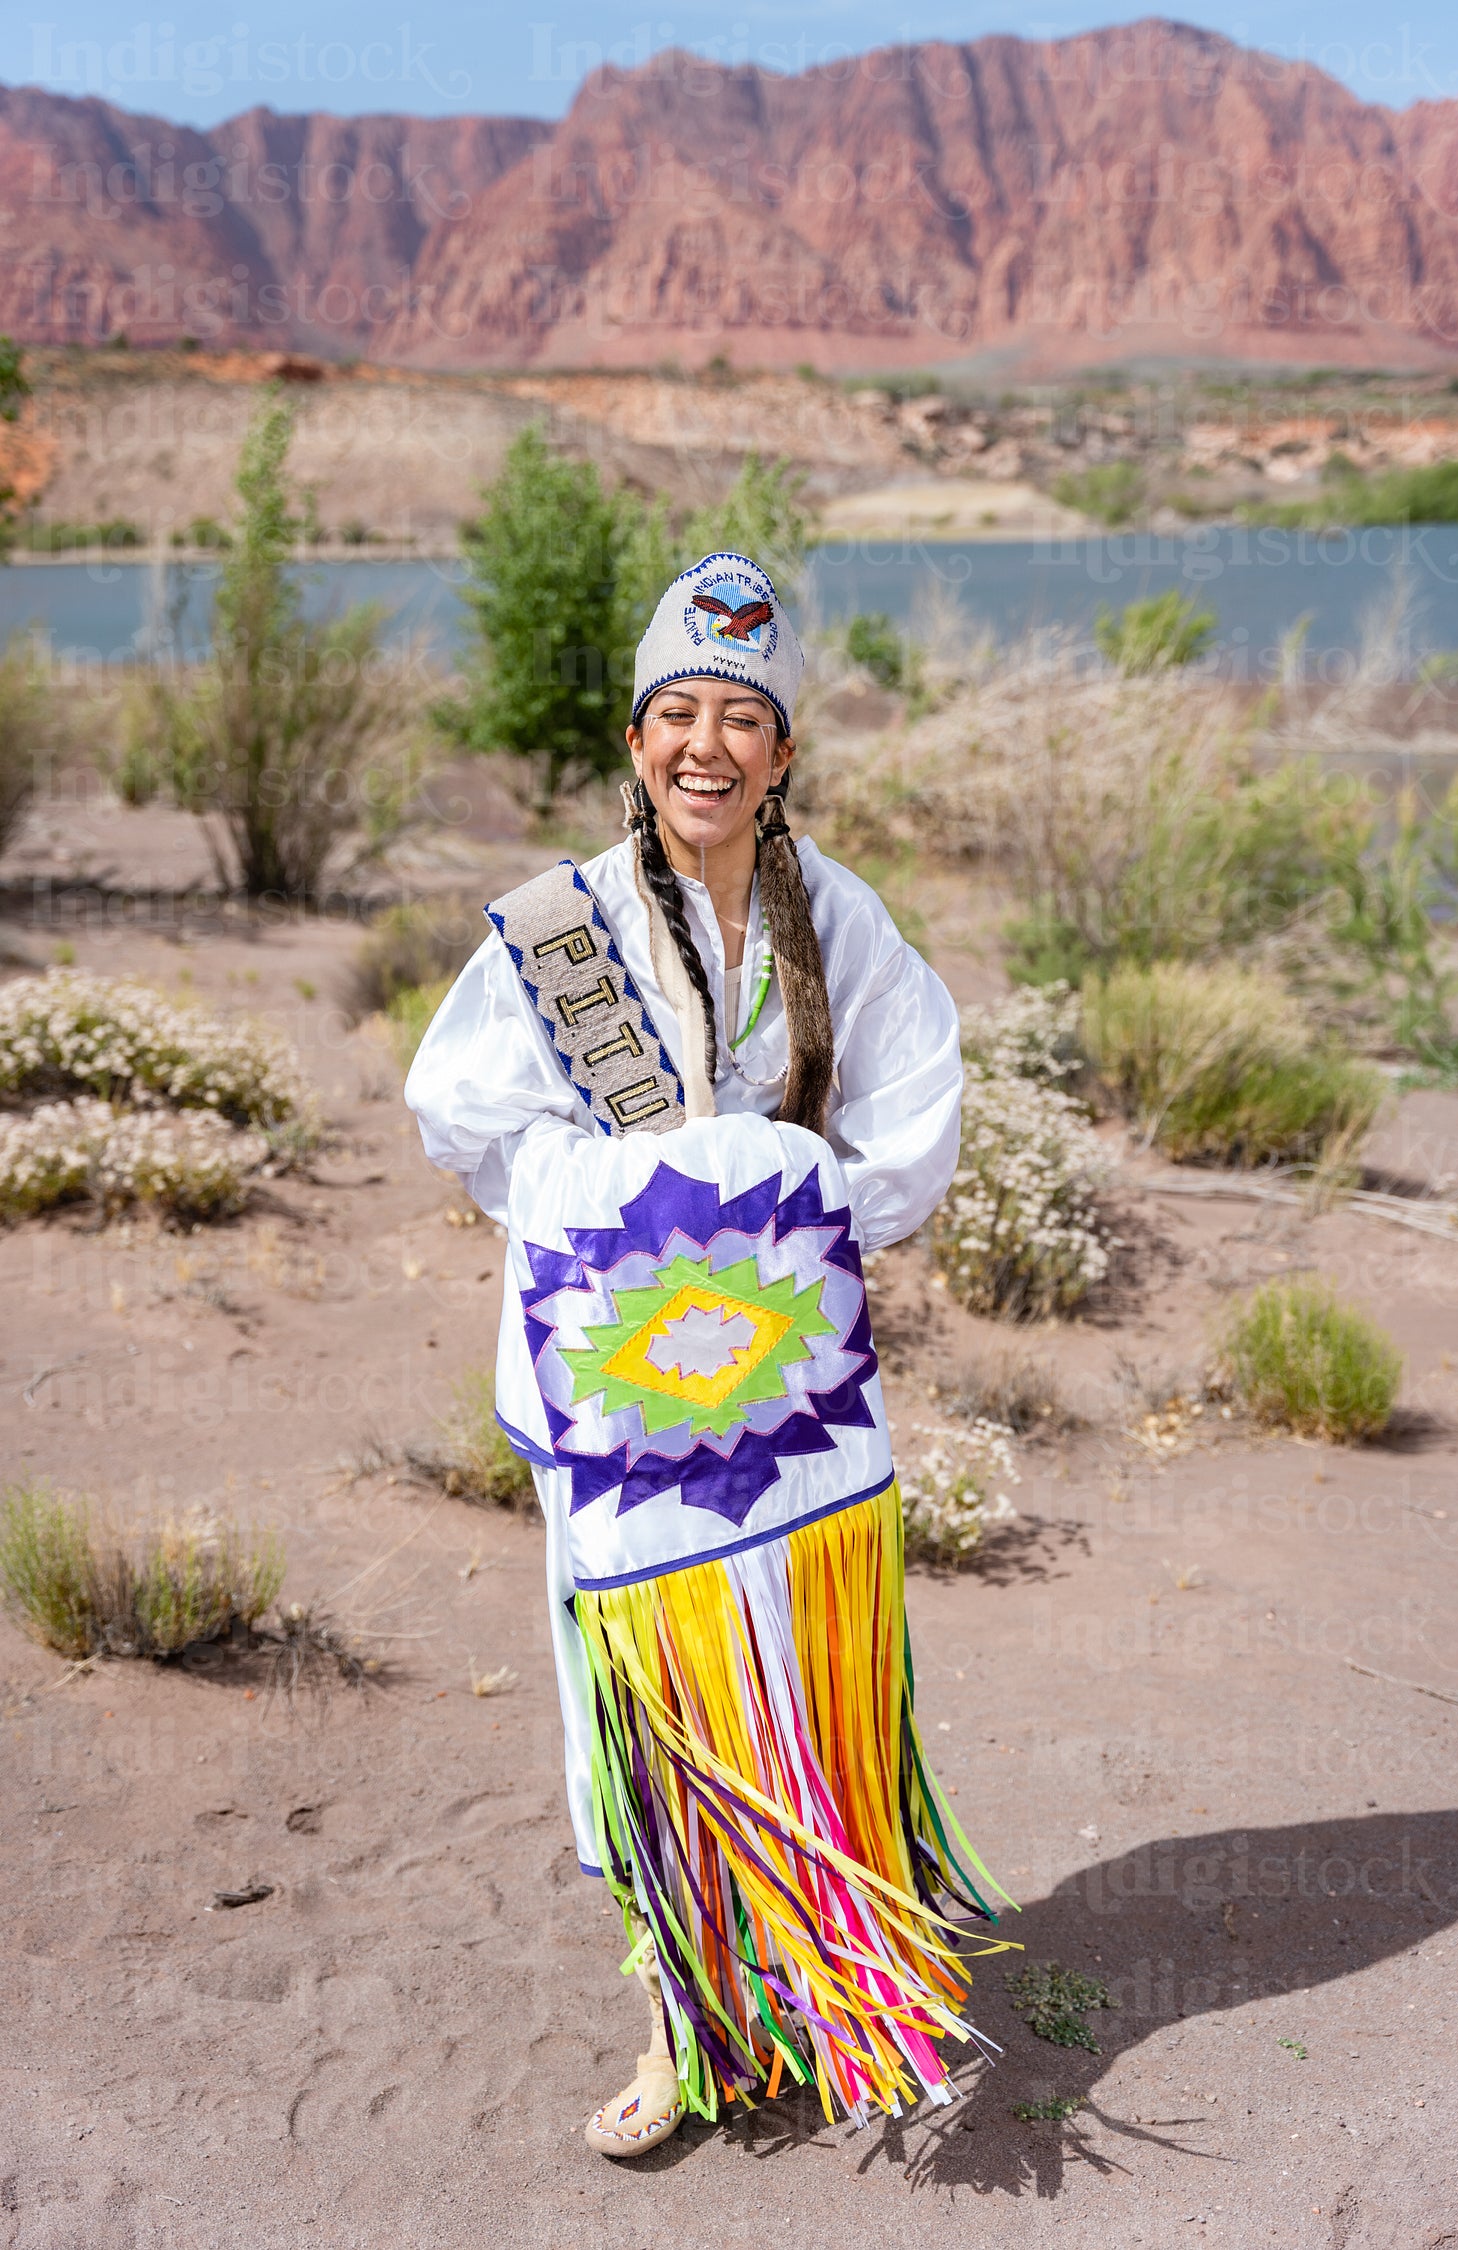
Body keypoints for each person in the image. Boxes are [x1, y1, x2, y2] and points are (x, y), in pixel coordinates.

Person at [406, 552, 1005, 2159]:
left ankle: (824, 1984)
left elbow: (914, 1107)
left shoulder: (842, 920)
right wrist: (647, 1194)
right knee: (651, 1710)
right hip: (616, 1401)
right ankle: (684, 2019)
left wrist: (797, 1188)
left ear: (784, 751)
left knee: (803, 1696)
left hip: (785, 1404)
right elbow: (464, 1113)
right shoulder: (562, 927)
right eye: (680, 710)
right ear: (633, 735)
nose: (708, 744)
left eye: (744, 716)